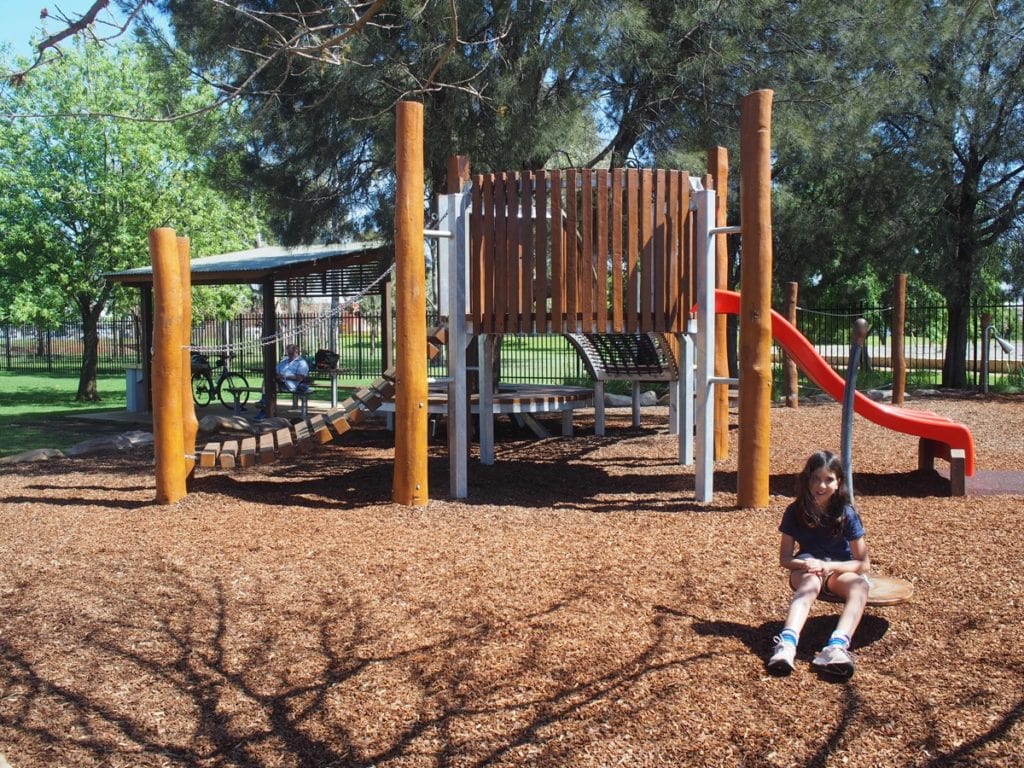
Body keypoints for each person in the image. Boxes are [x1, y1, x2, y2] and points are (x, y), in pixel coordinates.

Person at [767, 450, 870, 678]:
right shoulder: (795, 511)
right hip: (807, 567)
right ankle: (786, 644)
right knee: (810, 584)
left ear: (838, 482)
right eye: (815, 478)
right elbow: (785, 559)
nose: (821, 485)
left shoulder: (846, 514)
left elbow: (862, 563)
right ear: (807, 480)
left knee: (861, 587)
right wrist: (807, 565)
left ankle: (836, 646)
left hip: (838, 569)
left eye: (828, 479)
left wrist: (831, 566)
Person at [255, 344, 310, 419]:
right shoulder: (284, 361)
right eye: (288, 353)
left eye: (291, 353)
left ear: (296, 351)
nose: (289, 355)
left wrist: (284, 376)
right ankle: (265, 405)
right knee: (267, 381)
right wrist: (277, 375)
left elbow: (300, 378)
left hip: (291, 385)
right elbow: (275, 371)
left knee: (271, 385)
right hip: (280, 382)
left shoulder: (301, 363)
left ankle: (264, 406)